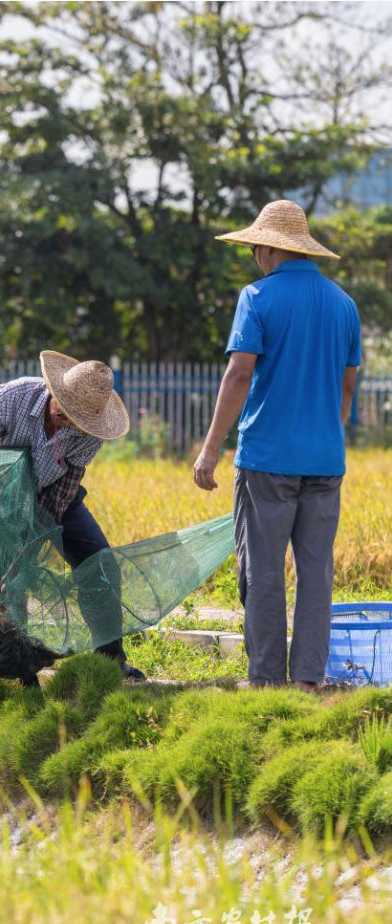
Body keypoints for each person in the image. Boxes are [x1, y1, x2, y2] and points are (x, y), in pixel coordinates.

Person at [193, 199, 361, 692]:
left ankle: (267, 681)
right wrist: (324, 432)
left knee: (263, 573)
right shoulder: (344, 304)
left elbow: (239, 374)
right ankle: (307, 680)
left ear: (266, 249)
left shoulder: (257, 297)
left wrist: (210, 448)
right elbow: (347, 387)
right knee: (316, 573)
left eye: (254, 250)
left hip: (267, 460)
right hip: (325, 461)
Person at [0, 349, 147, 687]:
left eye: (78, 420)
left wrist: (29, 548)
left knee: (100, 563)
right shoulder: (15, 397)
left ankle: (109, 661)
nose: (69, 423)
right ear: (54, 391)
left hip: (54, 497)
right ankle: (22, 673)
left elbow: (61, 493)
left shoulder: (91, 432)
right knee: (5, 586)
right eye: (65, 413)